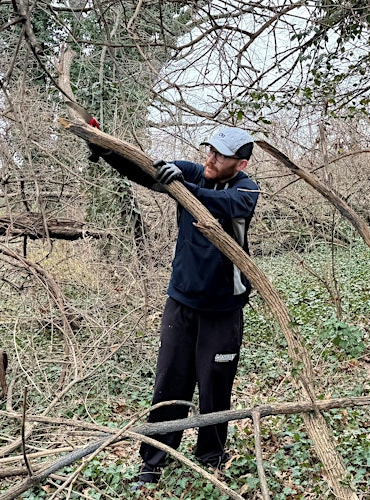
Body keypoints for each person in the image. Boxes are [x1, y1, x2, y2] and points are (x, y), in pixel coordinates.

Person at [89, 126, 260, 487]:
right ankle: (153, 460)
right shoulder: (194, 174)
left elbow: (222, 204)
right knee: (170, 382)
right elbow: (143, 170)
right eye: (210, 151)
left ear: (240, 163)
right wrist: (105, 149)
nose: (210, 159)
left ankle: (211, 456)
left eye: (221, 156)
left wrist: (179, 188)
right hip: (181, 303)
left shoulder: (246, 190)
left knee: (215, 387)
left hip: (223, 310)